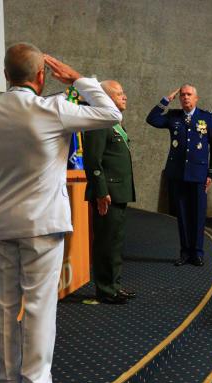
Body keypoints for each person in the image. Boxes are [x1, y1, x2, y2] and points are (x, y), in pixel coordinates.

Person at [0, 43, 122, 383]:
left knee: (3, 309)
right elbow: (112, 114)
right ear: (40, 76)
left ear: (5, 75)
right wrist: (78, 79)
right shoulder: (53, 109)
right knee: (38, 308)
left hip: (1, 223)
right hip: (43, 225)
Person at [146, 84, 212, 266]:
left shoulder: (206, 117)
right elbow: (152, 119)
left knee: (198, 215)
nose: (185, 97)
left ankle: (198, 253)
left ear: (196, 98)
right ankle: (185, 252)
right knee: (183, 214)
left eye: (189, 94)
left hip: (199, 175)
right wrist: (166, 100)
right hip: (178, 174)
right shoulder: (173, 116)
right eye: (182, 95)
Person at [83, 80, 136, 305]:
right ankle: (104, 289)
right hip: (107, 194)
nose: (124, 97)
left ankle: (114, 285)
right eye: (119, 94)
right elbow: (93, 160)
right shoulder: (99, 123)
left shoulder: (114, 123)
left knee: (115, 241)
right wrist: (101, 192)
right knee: (105, 242)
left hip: (119, 192)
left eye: (123, 93)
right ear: (105, 97)